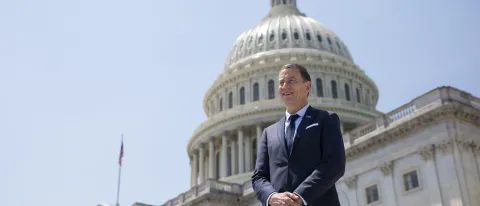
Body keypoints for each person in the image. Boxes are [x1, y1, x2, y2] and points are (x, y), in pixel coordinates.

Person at [251, 63, 346, 206]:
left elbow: (334, 164)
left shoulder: (326, 119)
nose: (285, 86)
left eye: (291, 81)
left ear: (307, 86)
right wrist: (271, 196)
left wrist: (300, 197)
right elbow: (259, 177)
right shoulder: (268, 133)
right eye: (281, 83)